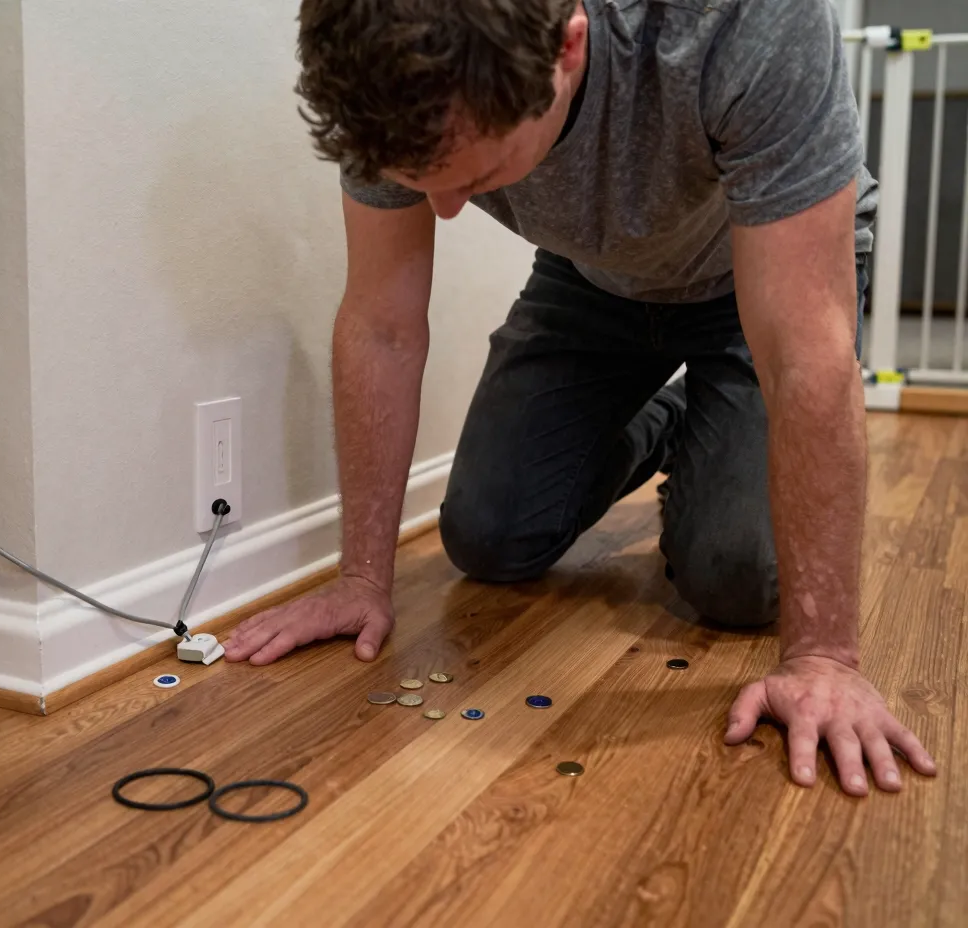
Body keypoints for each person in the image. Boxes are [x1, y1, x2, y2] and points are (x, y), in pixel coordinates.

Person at [224, 0, 937, 796]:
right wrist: (361, 578)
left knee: (735, 576)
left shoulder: (747, 20)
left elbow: (806, 356)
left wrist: (825, 659)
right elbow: (382, 326)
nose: (446, 208)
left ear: (568, 46)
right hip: (592, 280)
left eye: (474, 176)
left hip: (759, 273)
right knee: (488, 537)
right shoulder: (382, 62)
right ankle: (680, 423)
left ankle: (719, 424)